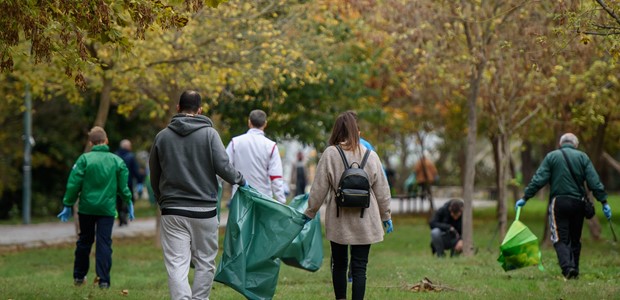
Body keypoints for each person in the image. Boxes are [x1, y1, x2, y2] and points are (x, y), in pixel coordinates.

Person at [149, 90, 246, 299]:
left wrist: (162, 199)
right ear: (200, 110)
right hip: (205, 210)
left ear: (178, 108)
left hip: (172, 209)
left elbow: (154, 175)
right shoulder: (210, 134)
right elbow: (223, 166)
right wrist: (240, 180)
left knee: (176, 262)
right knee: (205, 261)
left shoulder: (162, 136)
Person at [303, 111, 393, 300]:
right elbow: (382, 190)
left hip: (339, 218)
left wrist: (310, 212)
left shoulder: (330, 154)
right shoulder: (371, 155)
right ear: (357, 131)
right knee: (360, 267)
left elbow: (319, 188)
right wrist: (386, 216)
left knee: (339, 264)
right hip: (365, 218)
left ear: (337, 131)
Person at [516, 133, 611, 280]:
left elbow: (539, 179)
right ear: (576, 145)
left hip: (559, 203)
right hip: (578, 204)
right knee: (575, 238)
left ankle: (567, 268)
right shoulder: (583, 157)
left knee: (560, 238)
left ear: (560, 144)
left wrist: (525, 197)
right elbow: (594, 181)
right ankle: (575, 269)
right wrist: (604, 202)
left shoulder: (552, 156)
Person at [56, 126, 133, 289]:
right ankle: (104, 280)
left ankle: (79, 276)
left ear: (90, 143)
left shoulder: (84, 160)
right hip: (107, 209)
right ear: (106, 141)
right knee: (104, 243)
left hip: (86, 209)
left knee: (84, 241)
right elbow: (123, 187)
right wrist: (129, 201)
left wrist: (67, 204)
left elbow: (73, 184)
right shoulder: (116, 161)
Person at [226, 109, 286, 204]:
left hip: (239, 198)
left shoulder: (235, 143)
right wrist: (281, 201)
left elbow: (224, 166)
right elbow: (276, 177)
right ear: (265, 124)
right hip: (263, 198)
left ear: (249, 122)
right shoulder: (271, 146)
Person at [115, 139, 144, 226]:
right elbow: (135, 170)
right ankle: (125, 212)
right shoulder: (131, 156)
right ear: (127, 147)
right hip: (128, 182)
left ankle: (120, 217)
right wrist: (140, 181)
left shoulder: (115, 155)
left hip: (116, 183)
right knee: (130, 199)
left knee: (118, 200)